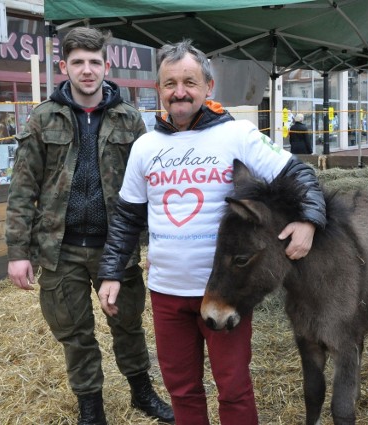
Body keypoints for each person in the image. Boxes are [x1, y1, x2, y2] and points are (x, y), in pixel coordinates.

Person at [97, 39, 326, 425]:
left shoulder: (238, 135)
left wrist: (309, 220)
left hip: (225, 289)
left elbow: (298, 174)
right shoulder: (145, 147)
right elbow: (127, 217)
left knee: (233, 389)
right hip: (167, 292)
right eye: (170, 84)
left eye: (189, 81)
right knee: (182, 389)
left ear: (208, 87)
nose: (180, 92)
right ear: (158, 91)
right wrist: (111, 272)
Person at [5, 27, 173, 425]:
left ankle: (141, 393)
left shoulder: (129, 119)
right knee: (75, 334)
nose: (86, 70)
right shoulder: (44, 118)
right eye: (77, 62)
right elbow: (22, 187)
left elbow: (150, 186)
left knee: (128, 324)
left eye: (94, 62)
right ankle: (91, 408)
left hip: (116, 248)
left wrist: (156, 247)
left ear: (106, 66)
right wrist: (17, 253)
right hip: (60, 249)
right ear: (64, 67)